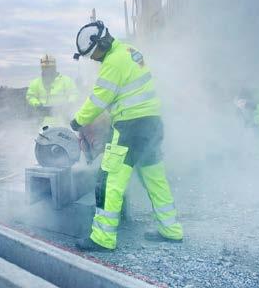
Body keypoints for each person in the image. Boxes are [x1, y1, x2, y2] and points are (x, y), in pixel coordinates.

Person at [69, 20, 183, 251]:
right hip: (151, 124)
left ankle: (103, 237)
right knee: (155, 178)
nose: (93, 59)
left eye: (93, 54)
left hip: (130, 128)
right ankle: (171, 230)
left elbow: (99, 100)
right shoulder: (131, 51)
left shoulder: (113, 62)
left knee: (110, 180)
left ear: (101, 43)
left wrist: (77, 121)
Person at [26, 54, 78, 126]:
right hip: (43, 121)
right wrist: (37, 104)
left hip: (62, 119)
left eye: (50, 67)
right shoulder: (36, 83)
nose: (47, 70)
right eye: (45, 68)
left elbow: (74, 93)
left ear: (54, 67)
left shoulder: (66, 80)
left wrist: (69, 103)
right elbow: (30, 96)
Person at [236, 85, 259, 156]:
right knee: (256, 134)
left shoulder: (257, 100)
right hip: (254, 119)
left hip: (257, 120)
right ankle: (257, 151)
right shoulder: (248, 89)